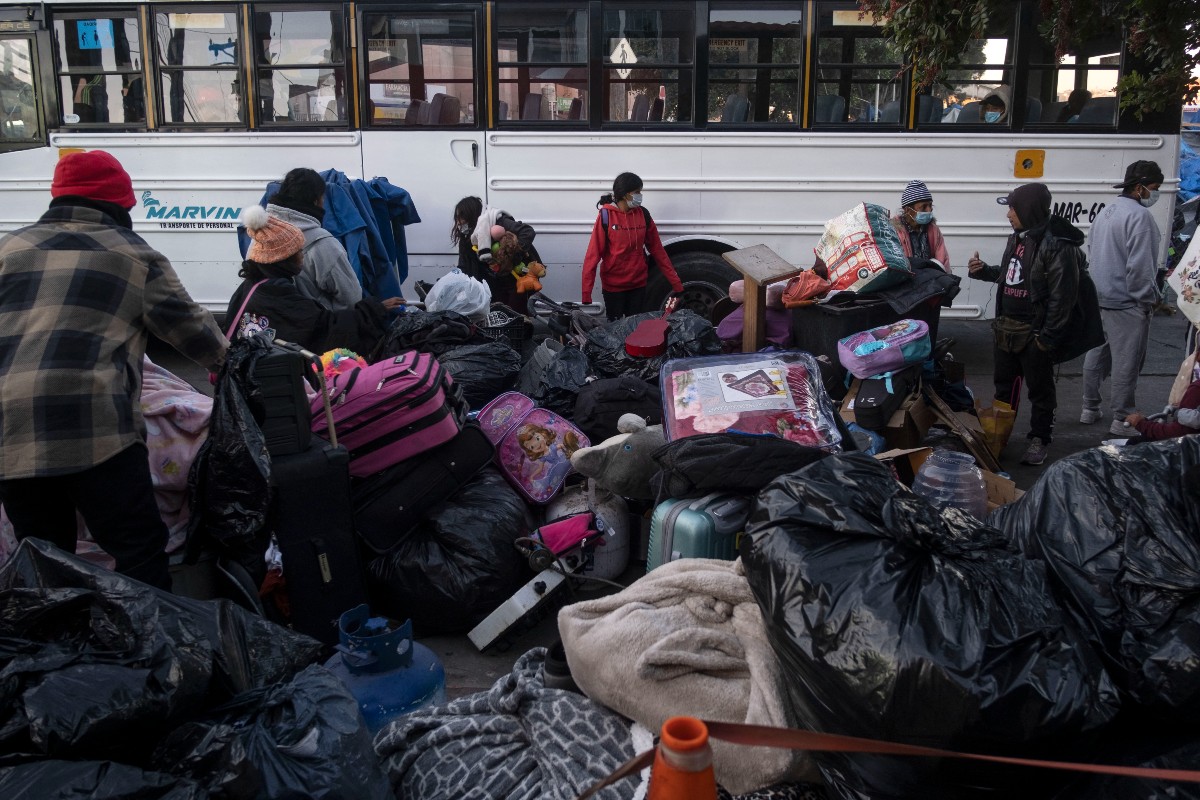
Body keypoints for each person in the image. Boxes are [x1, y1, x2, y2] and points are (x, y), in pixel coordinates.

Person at [0, 150, 227, 589]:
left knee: (46, 559)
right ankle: (154, 651)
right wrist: (233, 362)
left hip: (10, 432)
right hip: (95, 428)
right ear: (122, 204)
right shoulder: (135, 254)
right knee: (138, 549)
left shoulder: (9, 248)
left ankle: (62, 648)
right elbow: (196, 334)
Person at [967, 182, 1096, 466]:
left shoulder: (1058, 245)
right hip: (1006, 327)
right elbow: (1013, 275)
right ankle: (1000, 436)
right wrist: (985, 272)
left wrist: (1046, 338)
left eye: (1012, 208)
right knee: (1005, 387)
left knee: (1040, 390)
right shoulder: (1018, 236)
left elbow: (1063, 298)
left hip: (1034, 332)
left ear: (1028, 209)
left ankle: (1039, 439)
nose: (1008, 214)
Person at [225, 206, 398, 355]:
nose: (302, 257)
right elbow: (325, 329)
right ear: (283, 258)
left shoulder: (252, 286)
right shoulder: (278, 294)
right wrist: (374, 310)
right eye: (298, 252)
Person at [1080, 160, 1165, 436]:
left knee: (1097, 354)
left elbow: (1093, 251)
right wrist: (1149, 299)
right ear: (1139, 189)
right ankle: (1122, 417)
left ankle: (1089, 408)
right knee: (1127, 361)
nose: (1156, 193)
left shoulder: (1106, 212)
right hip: (1128, 302)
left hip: (1101, 296)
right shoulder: (1141, 218)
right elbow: (1141, 270)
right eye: (1154, 188)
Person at [582, 172, 684, 320]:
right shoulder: (606, 217)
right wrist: (586, 293)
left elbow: (658, 251)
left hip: (638, 285)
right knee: (615, 331)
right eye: (637, 192)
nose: (640, 196)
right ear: (624, 194)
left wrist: (676, 283)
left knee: (635, 330)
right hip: (613, 287)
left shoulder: (643, 215)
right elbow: (593, 255)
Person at [265, 167, 366, 312]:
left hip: (266, 326)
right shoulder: (323, 243)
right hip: (311, 328)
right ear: (315, 201)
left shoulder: (260, 235)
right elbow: (352, 298)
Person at [452, 196, 540, 310]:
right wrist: (453, 280)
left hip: (515, 278)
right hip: (494, 280)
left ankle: (523, 326)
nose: (459, 222)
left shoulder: (496, 221)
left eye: (462, 216)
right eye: (457, 217)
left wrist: (512, 255)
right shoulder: (467, 236)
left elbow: (527, 232)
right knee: (498, 313)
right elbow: (464, 265)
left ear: (471, 214)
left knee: (516, 312)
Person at [890, 180, 951, 271]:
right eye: (923, 207)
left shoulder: (934, 230)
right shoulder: (894, 231)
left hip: (931, 281)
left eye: (930, 206)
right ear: (907, 210)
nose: (929, 210)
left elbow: (943, 262)